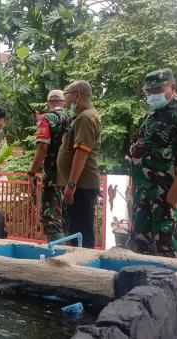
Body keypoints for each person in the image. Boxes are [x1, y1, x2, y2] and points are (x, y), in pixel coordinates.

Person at [129, 68, 177, 258]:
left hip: (167, 192)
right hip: (144, 191)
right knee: (141, 242)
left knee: (167, 241)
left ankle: (172, 284)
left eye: (157, 90)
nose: (153, 95)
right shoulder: (153, 115)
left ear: (173, 87)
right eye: (149, 92)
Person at [57, 81, 102, 248]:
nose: (66, 100)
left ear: (77, 95)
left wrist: (71, 184)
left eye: (67, 95)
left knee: (81, 232)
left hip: (81, 185)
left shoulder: (85, 117)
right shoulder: (82, 116)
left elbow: (81, 153)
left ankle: (84, 269)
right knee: (76, 229)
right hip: (79, 185)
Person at [27, 90, 69, 242]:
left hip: (52, 178)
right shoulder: (74, 118)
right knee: (66, 219)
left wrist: (32, 172)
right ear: (64, 103)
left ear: (48, 103)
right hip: (71, 180)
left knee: (51, 219)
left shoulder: (45, 119)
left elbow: (42, 149)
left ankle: (57, 257)